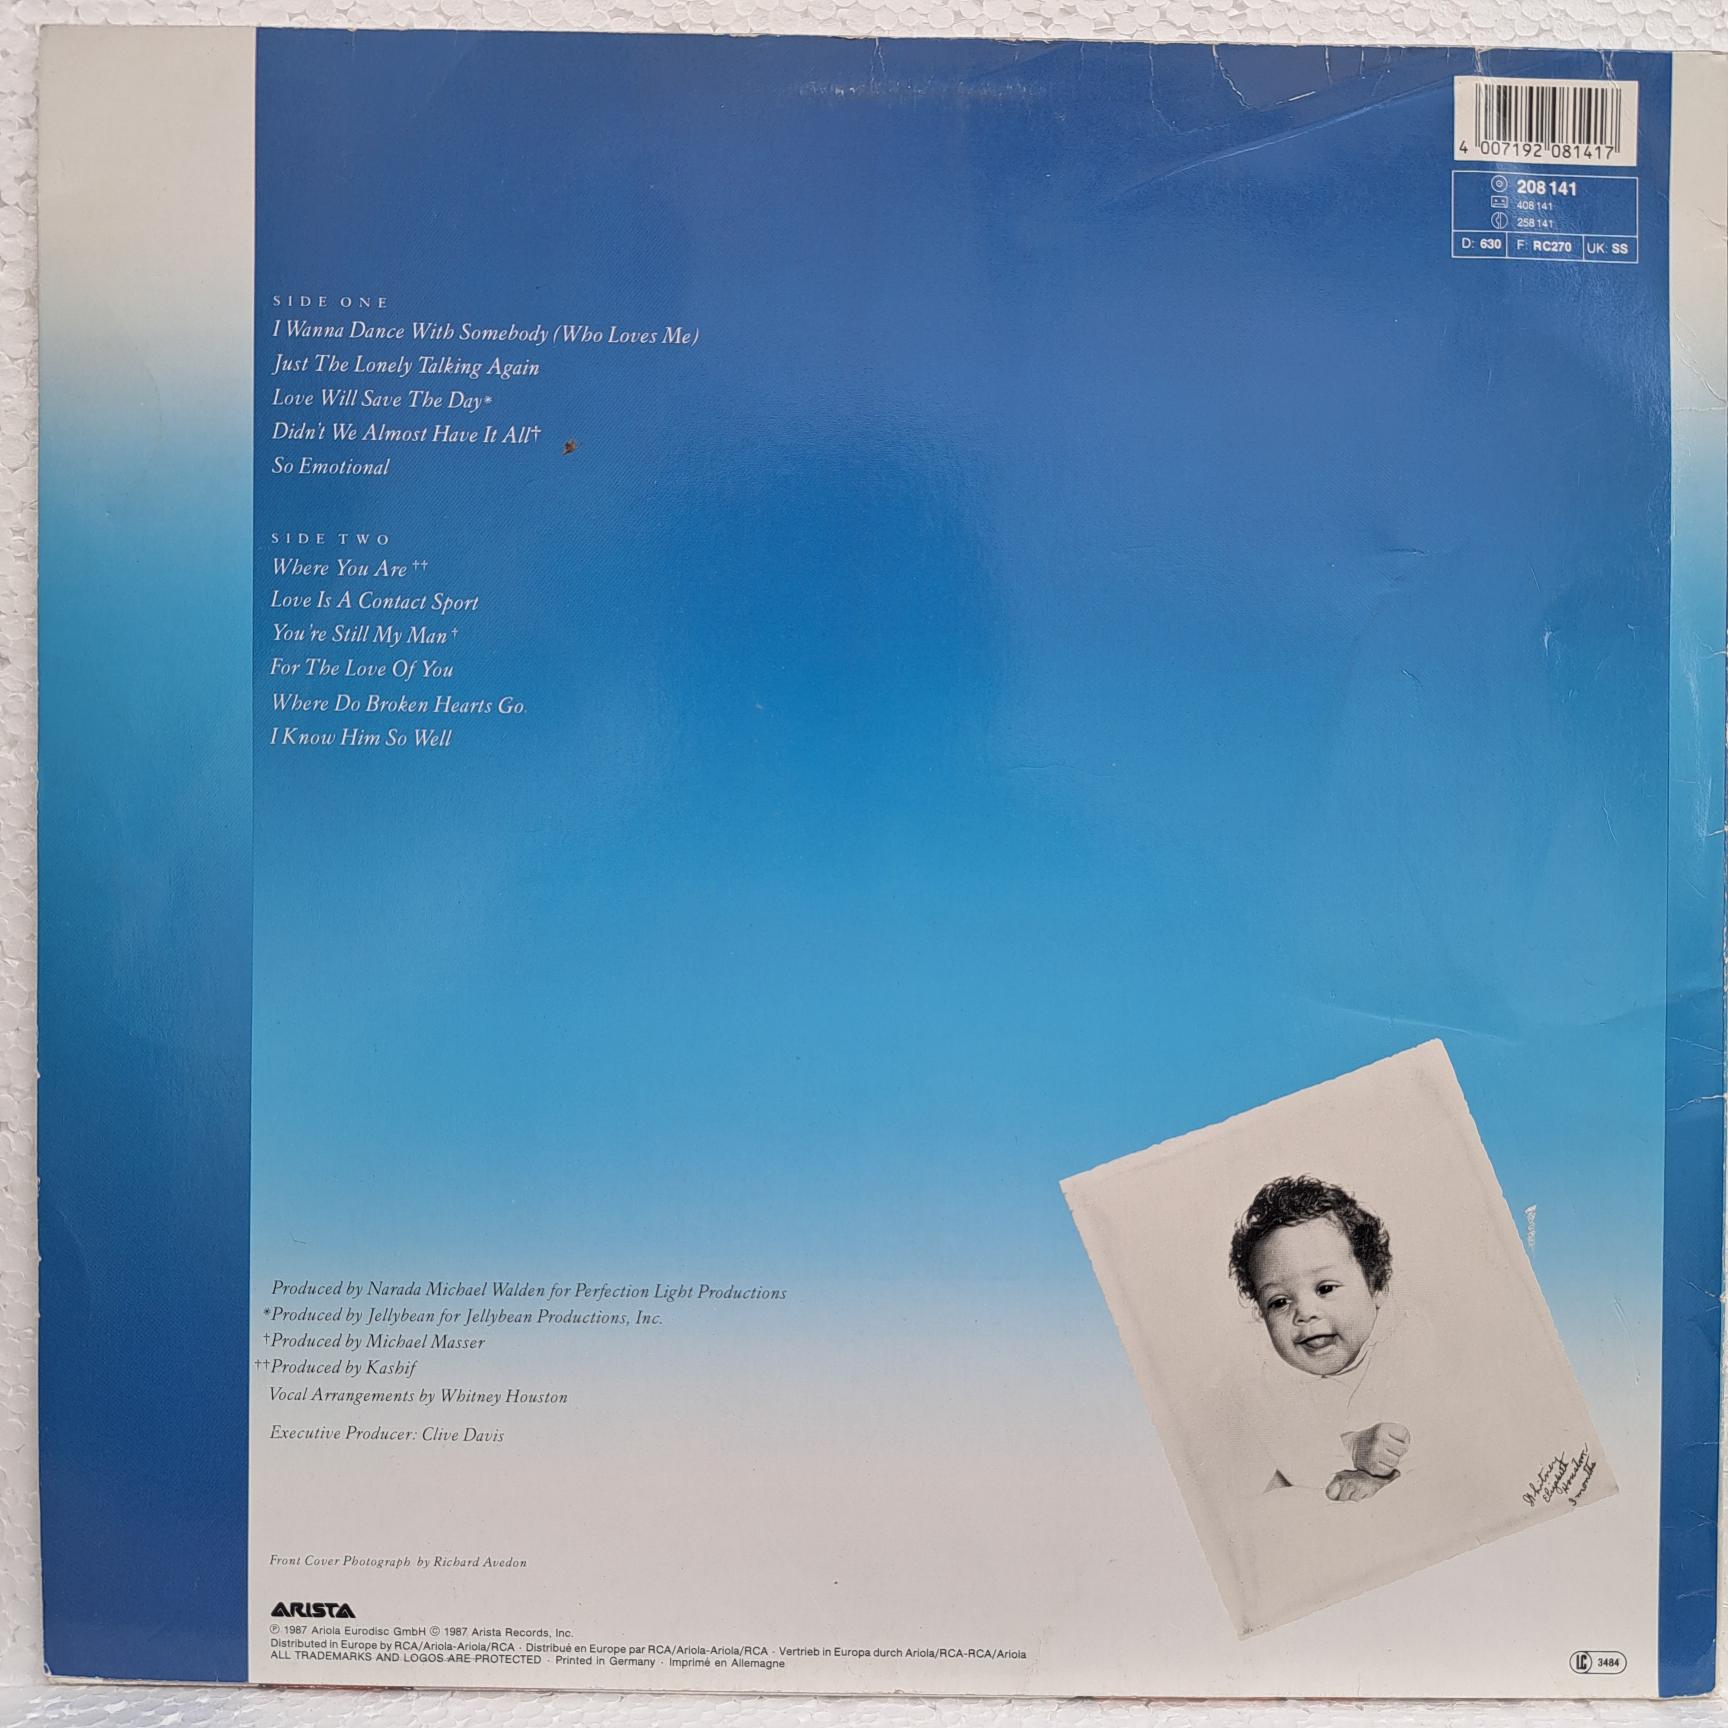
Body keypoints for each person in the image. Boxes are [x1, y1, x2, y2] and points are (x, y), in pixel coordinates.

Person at [1228, 1175, 1412, 1504]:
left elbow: (1441, 1430)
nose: (1305, 1314)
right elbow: (1291, 1457)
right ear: (1261, 1313)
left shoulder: (1407, 1347)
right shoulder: (1270, 1384)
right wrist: (1351, 1448)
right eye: (1279, 1302)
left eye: (1325, 1288)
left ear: (1377, 1285)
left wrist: (1380, 1472)